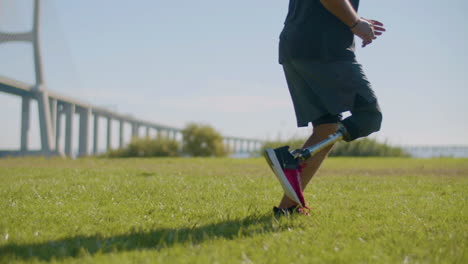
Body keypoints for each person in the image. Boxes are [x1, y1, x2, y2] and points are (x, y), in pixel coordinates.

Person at [267, 0, 386, 216]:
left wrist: (354, 20)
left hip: (295, 46)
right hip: (324, 48)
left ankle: (288, 208)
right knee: (369, 116)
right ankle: (292, 160)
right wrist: (355, 22)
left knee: (326, 127)